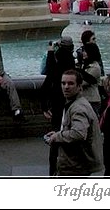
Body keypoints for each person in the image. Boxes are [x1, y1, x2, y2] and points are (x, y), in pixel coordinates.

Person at [44, 69, 104, 176]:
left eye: (71, 83)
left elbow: (78, 133)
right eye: (63, 83)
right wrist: (59, 133)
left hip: (75, 166)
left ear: (79, 86)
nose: (66, 87)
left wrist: (57, 136)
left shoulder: (78, 108)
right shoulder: (75, 103)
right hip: (76, 164)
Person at [40, 34, 77, 174]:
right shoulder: (71, 62)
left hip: (57, 105)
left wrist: (44, 106)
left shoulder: (57, 61)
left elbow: (48, 76)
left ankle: (54, 172)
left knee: (56, 139)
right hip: (70, 104)